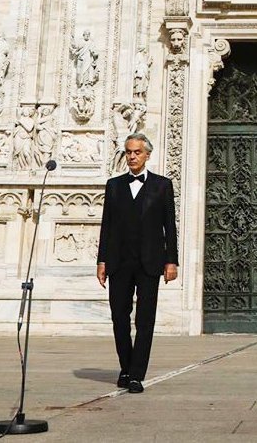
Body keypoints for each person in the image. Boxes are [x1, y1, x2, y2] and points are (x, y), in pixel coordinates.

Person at [96, 133, 178, 394]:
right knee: (119, 317)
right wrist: (102, 260)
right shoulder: (114, 185)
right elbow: (106, 225)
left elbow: (169, 227)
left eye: (137, 152)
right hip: (119, 262)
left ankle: (136, 374)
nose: (132, 156)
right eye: (129, 152)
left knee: (145, 319)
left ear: (147, 155)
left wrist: (171, 261)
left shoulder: (162, 185)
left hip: (150, 262)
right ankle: (126, 365)